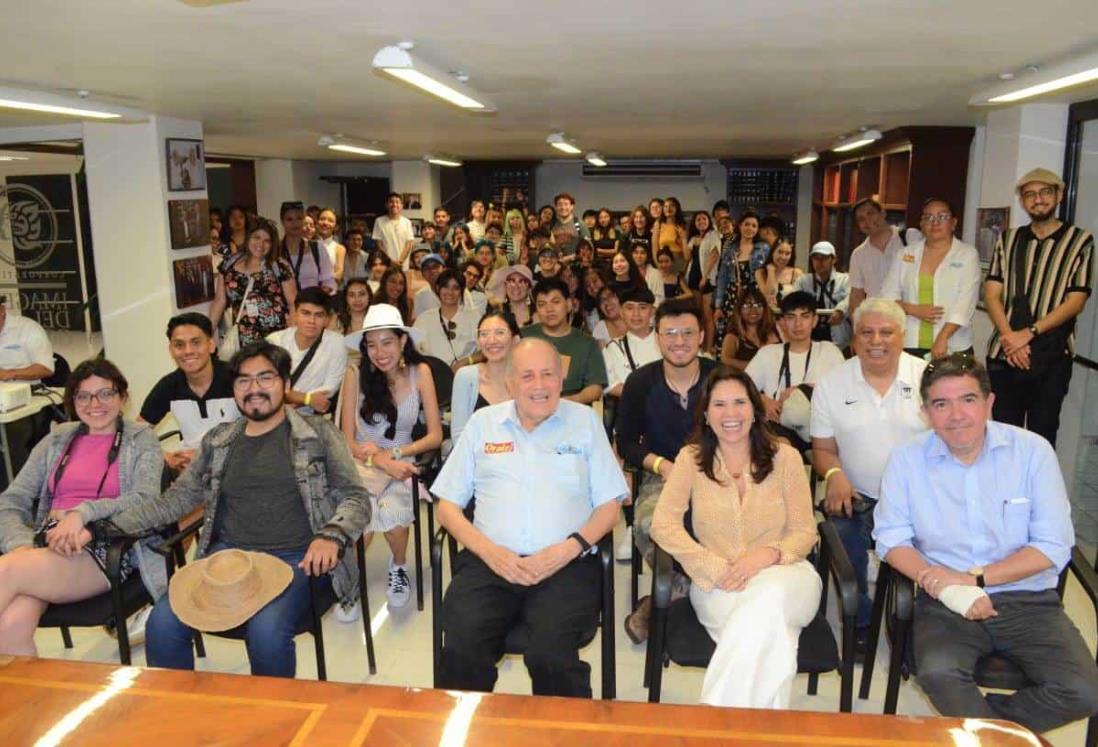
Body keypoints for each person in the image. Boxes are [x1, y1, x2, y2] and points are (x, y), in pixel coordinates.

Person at [106, 342, 371, 677]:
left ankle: (270, 720)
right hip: (228, 561)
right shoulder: (220, 441)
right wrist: (108, 524)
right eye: (243, 381)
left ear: (286, 386)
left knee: (266, 631)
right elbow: (176, 500)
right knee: (163, 623)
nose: (254, 389)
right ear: (234, 390)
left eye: (265, 378)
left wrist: (332, 536)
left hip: (299, 561)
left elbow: (356, 497)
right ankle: (174, 715)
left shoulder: (317, 434)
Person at [874, 354, 1098, 734]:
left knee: (1085, 691)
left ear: (989, 402)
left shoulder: (1032, 452)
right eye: (941, 404)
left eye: (968, 399)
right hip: (946, 602)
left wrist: (975, 579)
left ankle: (985, 733)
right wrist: (941, 582)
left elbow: (1053, 544)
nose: (956, 415)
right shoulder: (907, 460)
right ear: (926, 411)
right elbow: (890, 538)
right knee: (939, 673)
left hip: (1026, 599)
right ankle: (994, 735)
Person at [433, 338, 627, 697]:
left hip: (566, 563)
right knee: (463, 651)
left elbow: (609, 506)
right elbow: (447, 507)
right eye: (527, 376)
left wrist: (567, 550)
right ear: (510, 383)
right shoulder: (483, 424)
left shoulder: (584, 422)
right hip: (489, 562)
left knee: (550, 655)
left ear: (561, 378)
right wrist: (491, 553)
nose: (539, 386)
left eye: (548, 375)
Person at [651, 367, 820, 708]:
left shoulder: (785, 457)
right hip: (719, 583)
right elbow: (663, 524)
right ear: (707, 415)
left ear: (756, 410)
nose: (731, 414)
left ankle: (713, 720)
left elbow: (805, 530)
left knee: (768, 595)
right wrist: (712, 566)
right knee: (771, 636)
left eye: (740, 403)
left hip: (787, 577)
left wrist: (766, 557)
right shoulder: (691, 460)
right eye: (719, 405)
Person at [0, 359, 163, 656]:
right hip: (45, 545)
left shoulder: (142, 440)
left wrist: (82, 514)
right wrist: (19, 544)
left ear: (122, 397)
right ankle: (35, 703)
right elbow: (12, 499)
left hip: (104, 544)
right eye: (83, 396)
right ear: (72, 401)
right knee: (11, 626)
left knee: (5, 571)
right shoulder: (57, 439)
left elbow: (145, 499)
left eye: (105, 393)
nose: (94, 404)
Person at [810, 297, 928, 647]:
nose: (876, 341)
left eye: (886, 332)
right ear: (854, 338)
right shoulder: (832, 383)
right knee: (842, 535)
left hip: (916, 498)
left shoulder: (926, 378)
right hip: (856, 494)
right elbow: (823, 450)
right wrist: (834, 476)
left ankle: (914, 624)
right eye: (867, 333)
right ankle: (860, 622)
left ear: (902, 336)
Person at [617, 298, 717, 641]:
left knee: (718, 526)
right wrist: (662, 465)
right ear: (657, 337)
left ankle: (664, 600)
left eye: (687, 332)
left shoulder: (720, 377)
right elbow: (627, 442)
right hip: (663, 475)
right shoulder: (640, 382)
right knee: (650, 524)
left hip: (717, 475)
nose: (679, 341)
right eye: (670, 333)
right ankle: (686, 590)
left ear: (701, 336)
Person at [340, 305, 443, 608]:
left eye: (387, 342)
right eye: (371, 344)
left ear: (402, 342)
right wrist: (378, 460)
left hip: (402, 462)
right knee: (364, 519)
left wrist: (393, 454)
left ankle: (398, 566)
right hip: (361, 463)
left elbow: (435, 435)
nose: (379, 352)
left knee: (396, 518)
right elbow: (346, 439)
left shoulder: (420, 372)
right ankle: (349, 583)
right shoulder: (355, 374)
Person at [984, 167, 1094, 446]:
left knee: (1041, 437)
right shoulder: (1008, 239)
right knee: (1002, 435)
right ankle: (1003, 490)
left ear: (1058, 196)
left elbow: (1076, 301)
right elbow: (992, 294)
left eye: (1045, 192)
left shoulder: (1081, 241)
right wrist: (1011, 337)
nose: (1038, 199)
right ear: (1022, 201)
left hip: (1052, 356)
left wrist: (1028, 333)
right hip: (1004, 354)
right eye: (1030, 194)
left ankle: (1036, 491)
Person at [140, 313, 239, 476]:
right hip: (191, 474)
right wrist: (165, 456)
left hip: (235, 466)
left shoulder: (236, 378)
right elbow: (136, 434)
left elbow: (263, 431)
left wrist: (206, 457)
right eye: (179, 345)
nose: (188, 351)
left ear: (211, 345)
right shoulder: (169, 386)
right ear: (171, 350)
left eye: (196, 343)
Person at [746, 292, 845, 453]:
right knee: (778, 445)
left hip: (821, 428)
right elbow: (740, 387)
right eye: (791, 317)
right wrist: (762, 399)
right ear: (783, 322)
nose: (798, 324)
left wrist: (803, 390)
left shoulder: (829, 351)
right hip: (780, 429)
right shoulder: (768, 353)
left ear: (814, 320)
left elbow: (846, 394)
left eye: (804, 316)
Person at [882, 198, 981, 360]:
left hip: (953, 344)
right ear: (921, 224)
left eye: (942, 216)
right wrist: (912, 309)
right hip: (910, 343)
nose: (935, 222)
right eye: (928, 217)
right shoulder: (905, 254)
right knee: (908, 386)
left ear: (954, 223)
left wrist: (943, 337)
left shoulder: (967, 255)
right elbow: (886, 297)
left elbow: (965, 304)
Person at [209, 219, 297, 348]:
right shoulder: (229, 265)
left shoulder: (279, 266)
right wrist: (206, 334)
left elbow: (293, 303)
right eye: (256, 237)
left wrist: (293, 337)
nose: (261, 244)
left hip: (275, 339)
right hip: (243, 339)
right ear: (248, 237)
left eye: (267, 240)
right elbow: (219, 301)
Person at [521, 277, 607, 405]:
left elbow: (595, 388)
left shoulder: (587, 343)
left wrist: (563, 403)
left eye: (555, 302)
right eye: (542, 304)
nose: (549, 309)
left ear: (568, 305)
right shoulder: (522, 336)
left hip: (571, 410)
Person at [266, 287, 347, 416]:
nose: (311, 321)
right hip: (272, 415)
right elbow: (268, 386)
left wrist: (288, 400)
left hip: (311, 419)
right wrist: (307, 399)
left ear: (327, 319)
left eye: (319, 315)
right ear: (295, 314)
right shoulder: (275, 341)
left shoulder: (337, 343)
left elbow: (328, 390)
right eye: (306, 313)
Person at [0, 299, 55, 483]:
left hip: (29, 398)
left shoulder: (27, 329)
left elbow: (46, 368)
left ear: (1, 310)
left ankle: (21, 491)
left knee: (11, 435)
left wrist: (9, 374)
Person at [450, 309, 519, 444]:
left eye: (500, 333)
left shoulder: (528, 379)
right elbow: (459, 436)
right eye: (484, 334)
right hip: (477, 460)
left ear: (515, 339)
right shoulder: (466, 377)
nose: (491, 340)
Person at [713, 210, 769, 352]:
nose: (750, 228)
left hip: (755, 297)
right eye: (747, 224)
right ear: (739, 226)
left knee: (755, 331)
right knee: (731, 331)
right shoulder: (730, 249)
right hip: (733, 296)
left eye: (754, 226)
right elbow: (722, 278)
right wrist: (718, 306)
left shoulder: (764, 248)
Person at [848, 198, 909, 320]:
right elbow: (856, 296)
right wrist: (857, 327)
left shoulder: (909, 238)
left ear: (882, 213)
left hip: (909, 318)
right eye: (861, 219)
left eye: (871, 214)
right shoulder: (858, 254)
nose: (867, 221)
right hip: (876, 322)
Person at [603, 286, 660, 399]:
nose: (636, 314)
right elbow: (609, 385)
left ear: (652, 311)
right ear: (621, 312)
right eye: (629, 308)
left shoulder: (668, 342)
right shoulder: (613, 347)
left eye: (643, 308)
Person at [793, 241, 851, 350]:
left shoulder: (844, 279)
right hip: (809, 338)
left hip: (838, 339)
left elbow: (851, 298)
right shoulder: (803, 281)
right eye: (816, 258)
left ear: (834, 259)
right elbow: (794, 301)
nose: (819, 262)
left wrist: (840, 310)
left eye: (824, 258)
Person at [413, 269, 478, 366]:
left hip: (465, 375)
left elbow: (484, 351)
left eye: (455, 288)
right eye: (445, 287)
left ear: (462, 291)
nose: (450, 292)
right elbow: (412, 350)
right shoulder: (424, 319)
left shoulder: (474, 317)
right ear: (438, 288)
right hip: (433, 376)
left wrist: (466, 362)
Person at [720, 287, 780, 371]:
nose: (753, 310)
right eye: (747, 305)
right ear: (739, 309)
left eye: (758, 305)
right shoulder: (732, 337)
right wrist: (756, 367)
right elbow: (725, 360)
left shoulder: (775, 330)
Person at [280, 202, 335, 294]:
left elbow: (328, 280)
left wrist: (316, 299)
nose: (295, 223)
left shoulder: (317, 248)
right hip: (282, 306)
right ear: (282, 222)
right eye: (289, 219)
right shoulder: (274, 250)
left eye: (299, 218)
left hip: (311, 304)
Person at [756, 235, 803, 311]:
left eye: (787, 254)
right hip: (768, 316)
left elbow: (799, 300)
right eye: (780, 252)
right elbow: (768, 296)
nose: (783, 257)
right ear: (773, 252)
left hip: (789, 316)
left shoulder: (796, 273)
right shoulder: (761, 272)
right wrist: (771, 272)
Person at [373, 193, 416, 269]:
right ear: (386, 205)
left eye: (397, 202)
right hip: (386, 264)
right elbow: (379, 245)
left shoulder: (407, 222)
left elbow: (409, 244)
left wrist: (400, 261)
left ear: (402, 206)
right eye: (391, 202)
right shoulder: (379, 221)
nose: (394, 204)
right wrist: (391, 261)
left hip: (403, 264)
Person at [488, 263, 536, 328]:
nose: (516, 286)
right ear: (505, 285)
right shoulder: (496, 314)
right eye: (511, 281)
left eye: (522, 281)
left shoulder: (539, 313)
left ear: (529, 288)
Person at [551, 192, 591, 257]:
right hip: (555, 263)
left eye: (566, 204)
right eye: (560, 204)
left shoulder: (579, 224)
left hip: (575, 264)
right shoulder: (552, 224)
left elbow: (589, 246)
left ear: (572, 206)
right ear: (556, 207)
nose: (563, 207)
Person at [653, 197, 687, 268]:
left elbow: (686, 250)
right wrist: (658, 264)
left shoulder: (682, 226)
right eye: (665, 206)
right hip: (663, 263)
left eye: (672, 205)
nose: (668, 208)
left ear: (677, 208)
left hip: (678, 262)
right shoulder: (658, 224)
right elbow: (654, 248)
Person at [315, 207, 346, 287]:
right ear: (317, 223)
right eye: (322, 219)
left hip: (330, 291)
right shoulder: (309, 245)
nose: (325, 223)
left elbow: (339, 274)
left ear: (336, 227)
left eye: (330, 221)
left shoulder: (339, 248)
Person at [411, 253, 447, 319]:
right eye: (426, 268)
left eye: (435, 267)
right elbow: (420, 323)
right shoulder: (420, 296)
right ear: (422, 274)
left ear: (444, 269)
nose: (432, 271)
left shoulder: (459, 290)